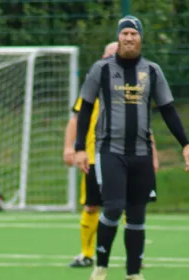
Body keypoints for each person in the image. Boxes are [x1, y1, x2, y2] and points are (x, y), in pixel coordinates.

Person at [74, 16, 189, 280]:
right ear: (119, 38)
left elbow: (168, 110)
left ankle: (133, 275)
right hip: (110, 150)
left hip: (141, 152)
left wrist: (185, 144)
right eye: (125, 33)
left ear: (141, 38)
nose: (129, 38)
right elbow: (84, 109)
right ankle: (100, 269)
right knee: (114, 207)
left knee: (138, 213)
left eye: (134, 33)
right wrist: (79, 147)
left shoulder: (152, 71)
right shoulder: (101, 69)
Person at [63, 41, 159, 268]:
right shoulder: (94, 85)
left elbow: (144, 125)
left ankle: (134, 257)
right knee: (91, 205)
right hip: (95, 157)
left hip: (129, 155)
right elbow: (76, 119)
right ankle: (87, 254)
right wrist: (70, 148)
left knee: (131, 206)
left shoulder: (131, 88)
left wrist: (152, 154)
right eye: (109, 55)